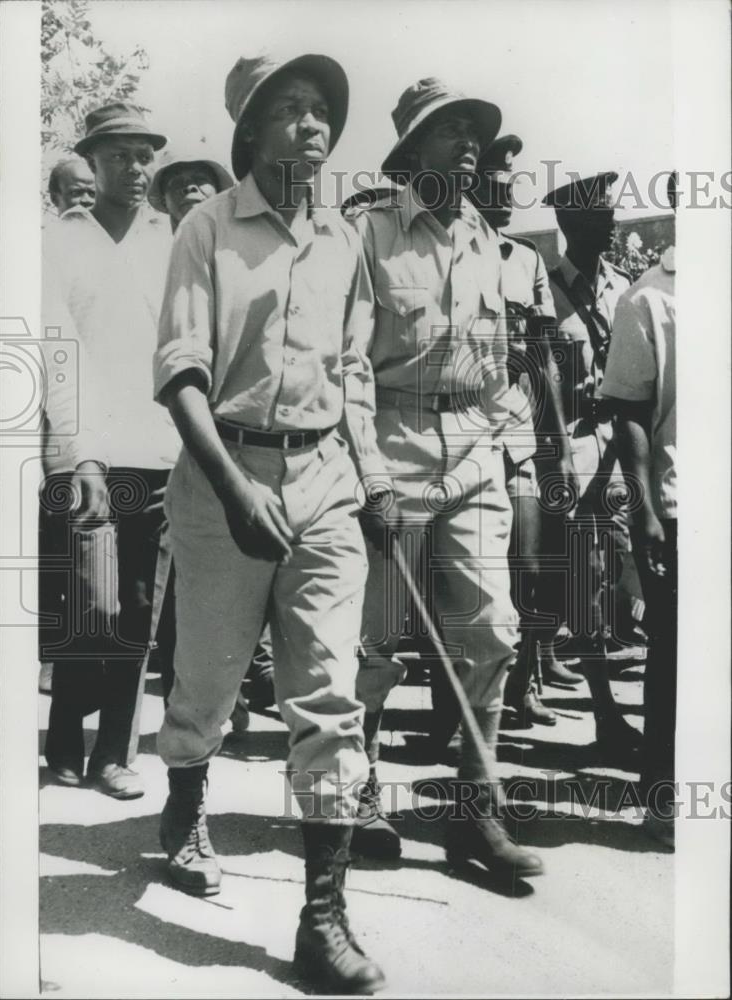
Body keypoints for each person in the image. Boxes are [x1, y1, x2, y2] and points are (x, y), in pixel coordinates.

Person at [152, 53, 386, 994]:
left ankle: (321, 919)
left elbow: (355, 369)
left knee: (328, 695)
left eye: (322, 110)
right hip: (222, 483)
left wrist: (370, 482)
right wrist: (238, 491)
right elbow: (182, 374)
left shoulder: (342, 236)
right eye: (289, 110)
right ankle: (184, 792)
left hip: (324, 479)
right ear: (251, 132)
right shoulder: (207, 227)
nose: (313, 126)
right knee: (206, 682)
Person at [345, 78, 544, 879]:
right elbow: (348, 364)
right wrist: (371, 477)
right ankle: (355, 799)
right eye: (450, 129)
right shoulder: (368, 232)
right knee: (376, 640)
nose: (468, 144)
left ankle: (475, 811)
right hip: (389, 443)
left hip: (471, 449)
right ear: (410, 147)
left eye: (474, 130)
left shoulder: (484, 238)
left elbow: (497, 367)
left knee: (491, 631)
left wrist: (492, 448)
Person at [41, 102, 179, 799]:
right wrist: (78, 456)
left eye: (145, 154)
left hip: (159, 451)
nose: (137, 167)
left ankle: (114, 754)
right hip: (89, 454)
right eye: (121, 154)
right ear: (91, 160)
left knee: (137, 612)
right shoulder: (60, 240)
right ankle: (64, 736)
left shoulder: (170, 237)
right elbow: (58, 354)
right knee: (87, 608)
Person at [468, 134, 578, 728]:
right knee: (463, 584)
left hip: (514, 436)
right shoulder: (448, 251)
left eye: (513, 181)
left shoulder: (525, 258)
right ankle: (459, 709)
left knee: (530, 569)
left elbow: (544, 354)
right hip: (457, 438)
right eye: (496, 178)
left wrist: (554, 438)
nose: (508, 190)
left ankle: (523, 683)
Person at [541, 172, 640, 752]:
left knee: (631, 575)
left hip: (620, 451)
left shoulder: (621, 285)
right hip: (575, 447)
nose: (612, 221)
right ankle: (604, 713)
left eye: (610, 212)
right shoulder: (547, 291)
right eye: (600, 215)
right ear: (569, 224)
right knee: (588, 584)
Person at [600, 172, 677, 848]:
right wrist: (646, 507)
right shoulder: (646, 298)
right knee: (674, 655)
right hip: (679, 504)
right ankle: (662, 798)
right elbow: (626, 409)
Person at [147, 147, 234, 231]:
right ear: (164, 201)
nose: (189, 187)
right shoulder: (153, 245)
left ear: (218, 193)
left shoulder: (241, 243)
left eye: (201, 179)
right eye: (177, 182)